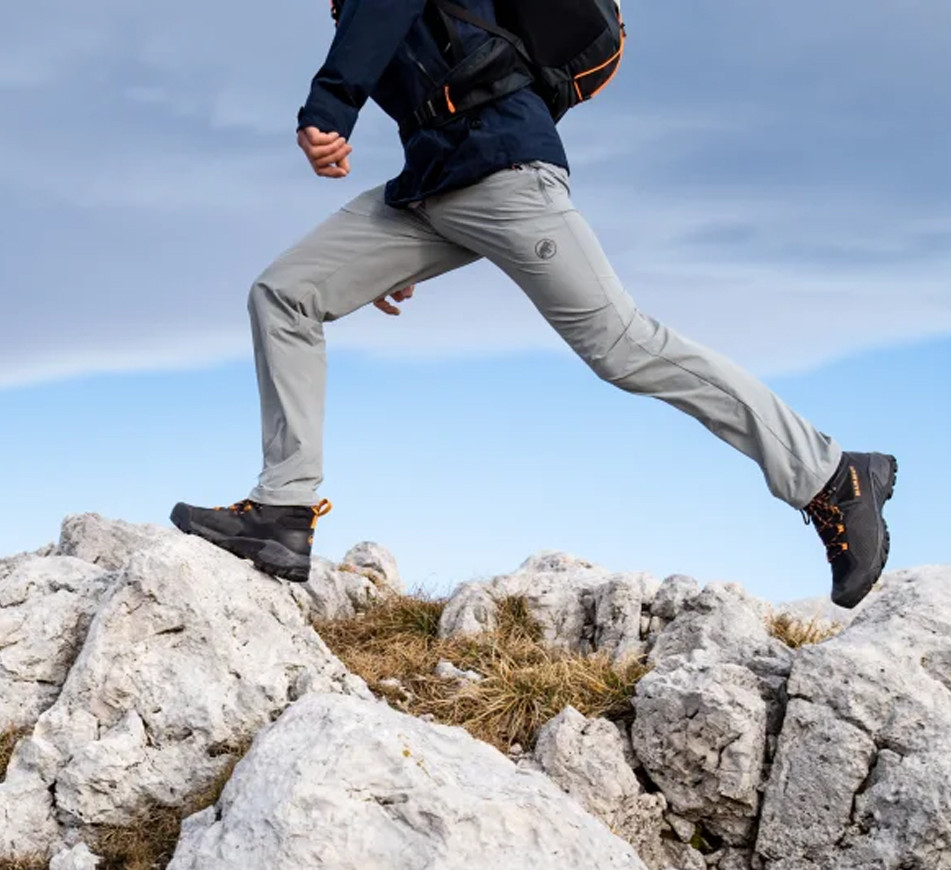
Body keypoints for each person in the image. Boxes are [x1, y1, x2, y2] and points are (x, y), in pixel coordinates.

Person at [171, 0, 896, 609]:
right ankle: (282, 512)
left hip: (502, 172)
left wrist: (329, 108)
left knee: (623, 345)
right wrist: (391, 254)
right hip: (435, 182)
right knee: (286, 292)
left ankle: (834, 476)